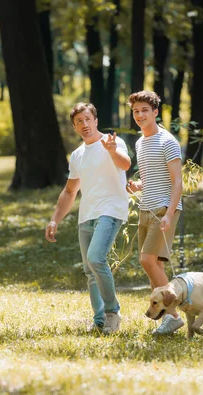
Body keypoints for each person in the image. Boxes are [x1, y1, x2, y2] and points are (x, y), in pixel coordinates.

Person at [45, 102, 131, 334]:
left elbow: (125, 164)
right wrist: (55, 219)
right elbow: (70, 191)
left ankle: (113, 313)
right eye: (79, 122)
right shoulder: (77, 155)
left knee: (95, 258)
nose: (84, 125)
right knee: (89, 269)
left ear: (95, 120)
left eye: (87, 119)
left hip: (111, 210)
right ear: (74, 126)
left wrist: (112, 151)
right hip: (87, 215)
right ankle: (100, 320)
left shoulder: (112, 142)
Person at [126, 90, 184, 335]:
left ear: (155, 113)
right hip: (145, 208)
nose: (140, 115)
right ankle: (166, 318)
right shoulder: (140, 142)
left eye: (144, 111)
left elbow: (177, 181)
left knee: (146, 260)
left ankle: (174, 315)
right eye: (136, 111)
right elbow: (152, 177)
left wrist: (170, 214)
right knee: (154, 268)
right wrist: (139, 185)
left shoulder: (167, 141)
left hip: (163, 210)